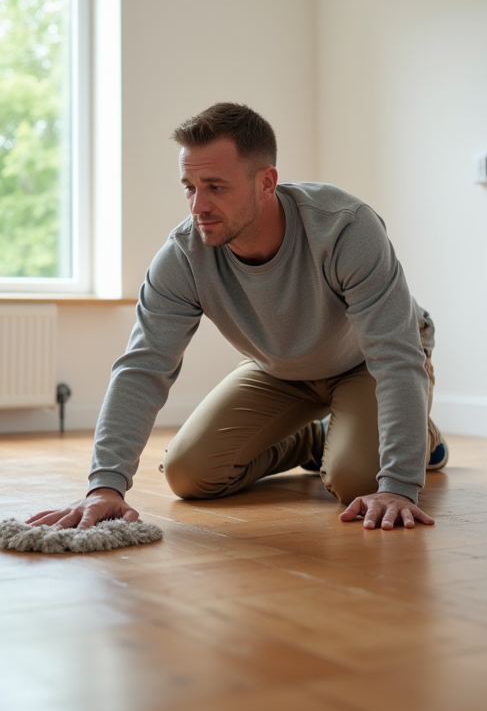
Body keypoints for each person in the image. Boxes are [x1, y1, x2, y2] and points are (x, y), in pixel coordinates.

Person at [28, 102, 445, 533]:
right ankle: (319, 438)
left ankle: (420, 438)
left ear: (266, 182)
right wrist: (105, 486)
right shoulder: (183, 257)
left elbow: (395, 355)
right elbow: (143, 366)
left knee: (357, 479)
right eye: (189, 186)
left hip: (365, 360)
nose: (197, 206)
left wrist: (398, 483)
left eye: (215, 187)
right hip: (279, 367)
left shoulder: (344, 228)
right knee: (188, 474)